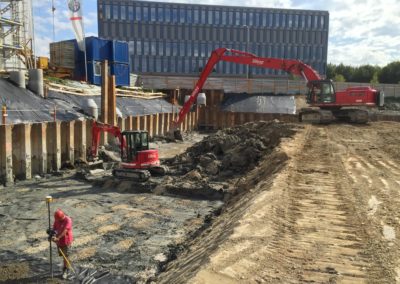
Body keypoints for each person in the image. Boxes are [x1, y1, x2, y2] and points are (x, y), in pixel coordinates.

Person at [52, 209, 73, 279]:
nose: (58, 221)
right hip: (59, 241)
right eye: (57, 220)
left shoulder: (68, 220)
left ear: (62, 216)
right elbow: (54, 228)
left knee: (66, 256)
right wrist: (53, 235)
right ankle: (65, 264)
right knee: (62, 255)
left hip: (66, 241)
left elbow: (65, 230)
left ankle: (66, 269)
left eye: (59, 219)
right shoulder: (57, 220)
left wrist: (58, 238)